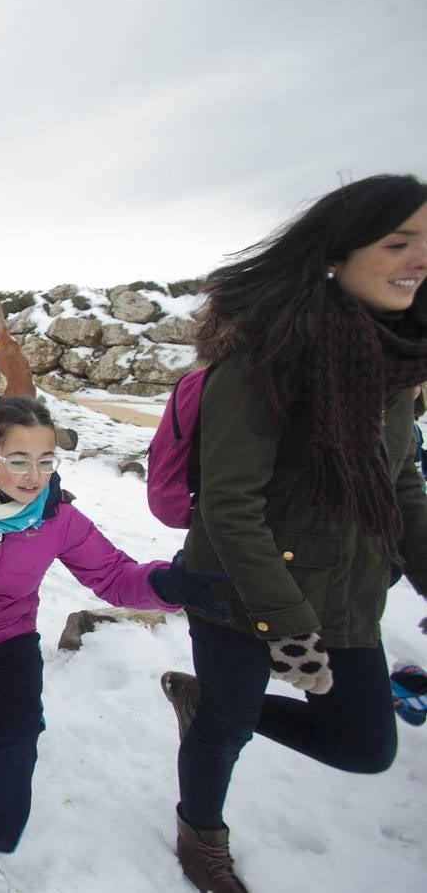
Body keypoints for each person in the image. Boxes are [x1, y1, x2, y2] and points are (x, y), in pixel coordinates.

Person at [158, 175, 427, 893]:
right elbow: (227, 504)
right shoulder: (263, 356)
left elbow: (399, 483)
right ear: (337, 253)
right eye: (399, 242)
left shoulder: (395, 363)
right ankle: (200, 837)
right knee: (223, 731)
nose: (419, 259)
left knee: (363, 746)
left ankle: (209, 704)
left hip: (341, 591)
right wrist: (288, 624)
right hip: (241, 587)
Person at [0, 397, 230, 891]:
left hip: (11, 636)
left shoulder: (58, 518)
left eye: (47, 461)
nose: (34, 475)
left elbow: (112, 573)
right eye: (18, 461)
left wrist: (169, 586)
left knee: (15, 734)